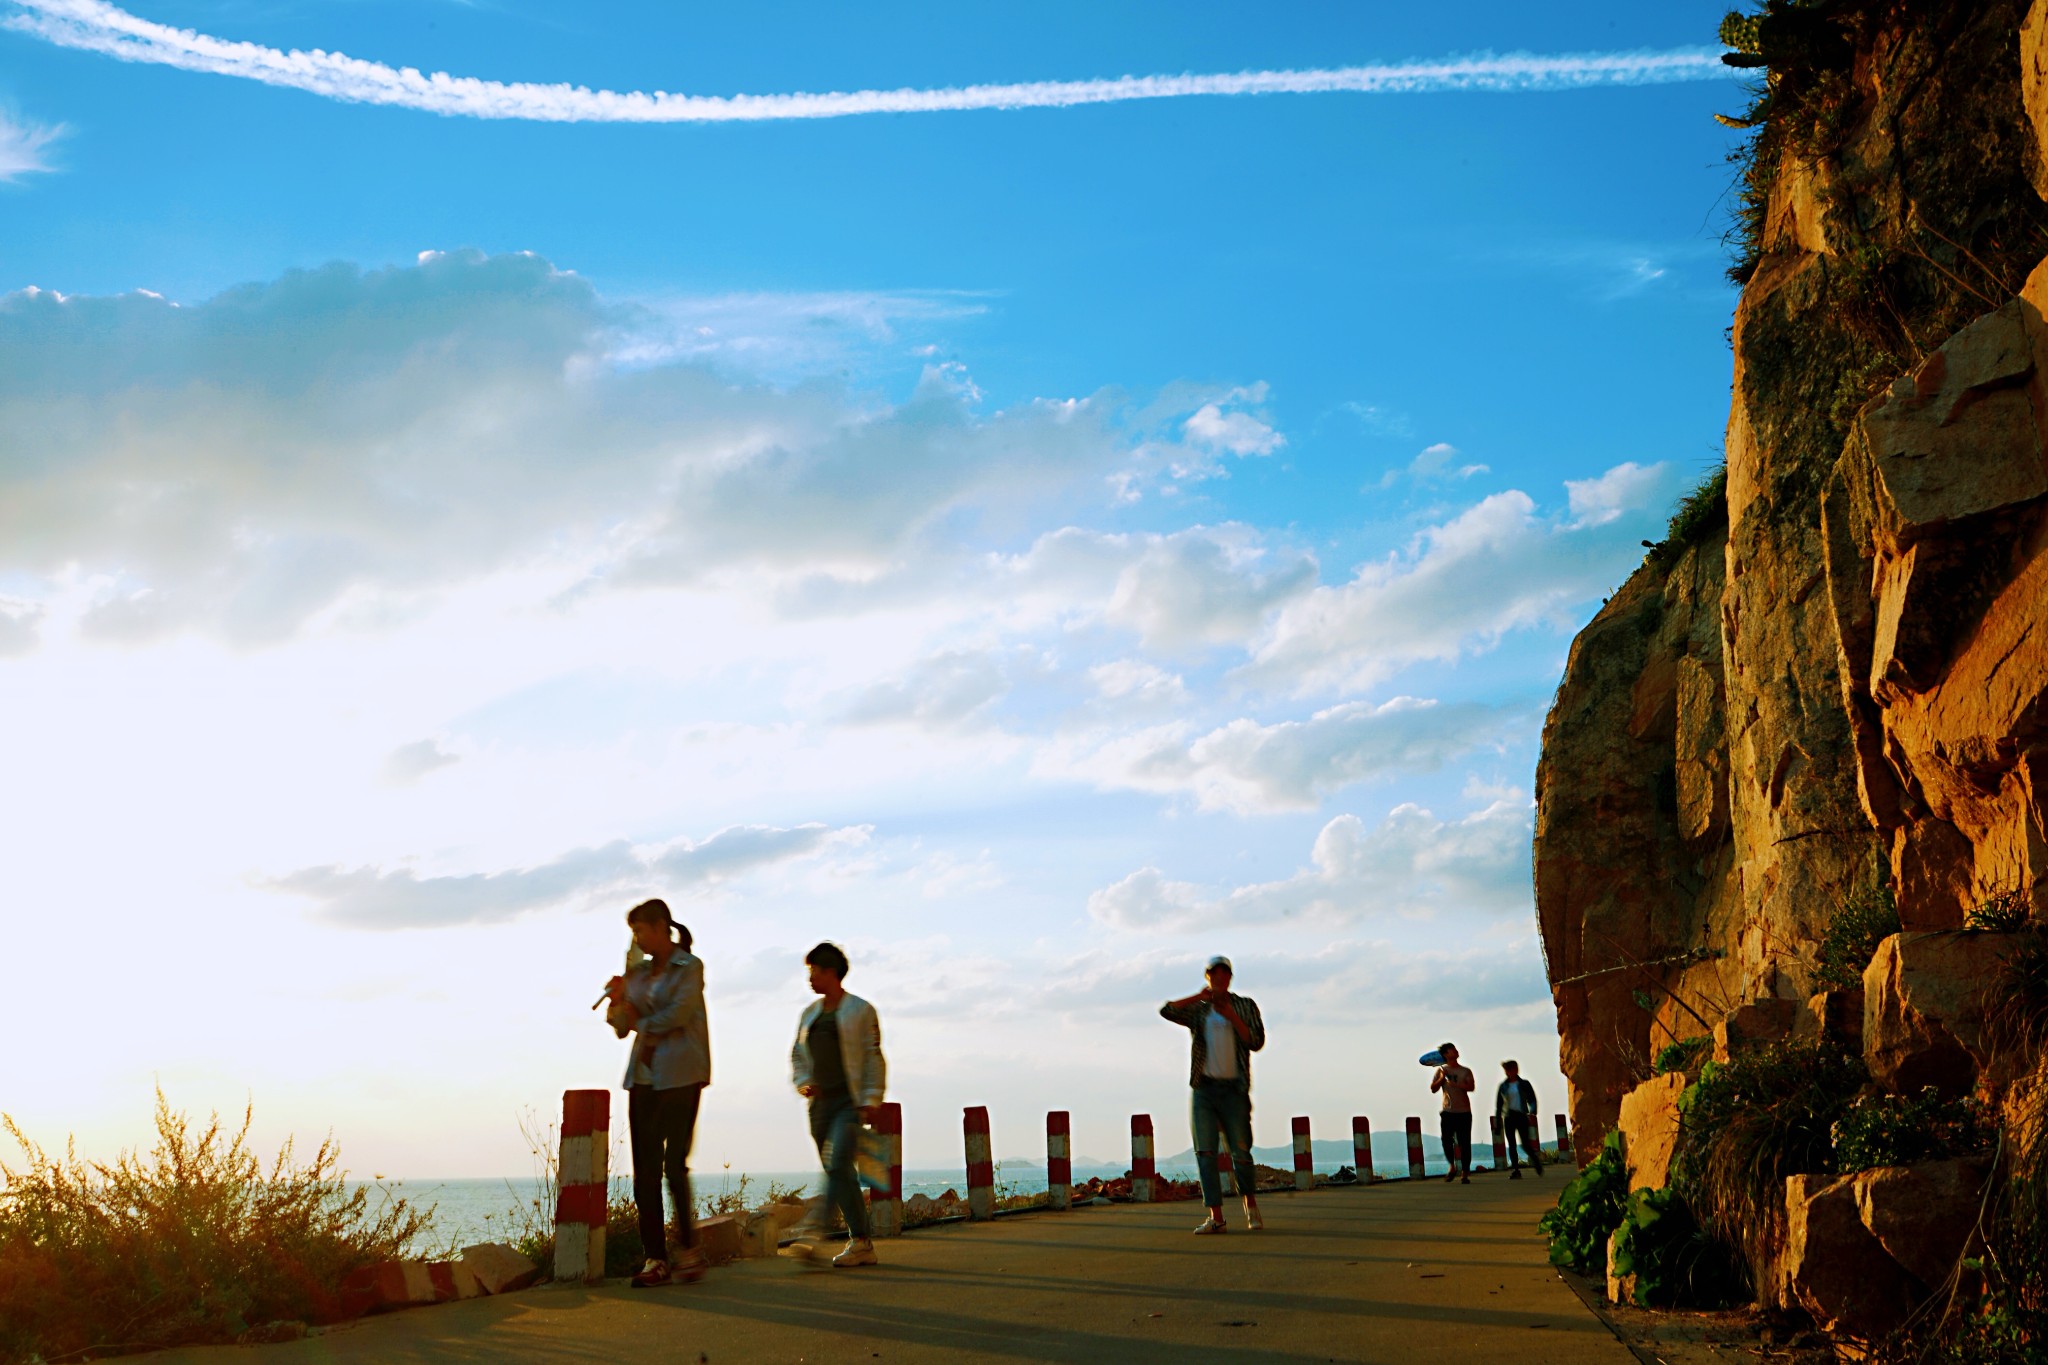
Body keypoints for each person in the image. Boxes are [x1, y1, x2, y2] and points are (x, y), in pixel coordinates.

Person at [602, 898, 711, 1288]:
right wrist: (618, 1000)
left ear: (662, 926)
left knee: (674, 1165)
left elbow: (679, 1014)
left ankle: (689, 1249)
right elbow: (619, 1027)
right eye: (634, 934)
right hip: (644, 1076)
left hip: (682, 1072)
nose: (638, 939)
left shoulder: (689, 966)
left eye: (642, 931)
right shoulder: (639, 972)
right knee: (644, 1171)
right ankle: (655, 1258)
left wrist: (638, 1019)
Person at [787, 942, 886, 1268]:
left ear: (831, 973)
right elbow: (798, 1055)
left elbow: (873, 1057)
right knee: (839, 1170)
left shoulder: (861, 1010)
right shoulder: (810, 1014)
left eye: (814, 970)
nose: (810, 978)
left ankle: (814, 1233)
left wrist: (871, 1098)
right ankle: (862, 1243)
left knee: (837, 1157)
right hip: (820, 1105)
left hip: (849, 1102)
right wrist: (803, 1082)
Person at [1159, 955, 1266, 1234]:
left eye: (1223, 974)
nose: (1218, 978)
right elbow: (1167, 1011)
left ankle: (1250, 1206)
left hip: (1234, 1089)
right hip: (1204, 1088)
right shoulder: (1200, 1010)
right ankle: (1216, 1217)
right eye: (1213, 974)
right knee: (1205, 1152)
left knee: (1241, 1152)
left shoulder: (1245, 1006)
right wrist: (1197, 996)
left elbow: (1256, 1041)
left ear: (1230, 977)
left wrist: (1232, 1016)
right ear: (1208, 978)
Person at [1430, 1041, 1476, 1184]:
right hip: (1447, 1111)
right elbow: (1433, 1088)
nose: (1456, 1051)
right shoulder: (1441, 1070)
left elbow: (1471, 1087)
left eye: (1455, 1049)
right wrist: (1442, 1078)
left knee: (1464, 1143)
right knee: (1446, 1140)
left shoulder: (1465, 1071)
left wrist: (1456, 1084)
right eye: (1452, 1050)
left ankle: (1465, 1173)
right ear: (1445, 1054)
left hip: (1464, 1111)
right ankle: (1451, 1166)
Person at [1495, 1060, 1544, 1178]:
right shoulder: (1503, 1086)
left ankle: (1536, 1161)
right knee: (1511, 1144)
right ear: (1506, 1071)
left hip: (1521, 1116)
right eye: (1510, 1070)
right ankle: (1516, 1170)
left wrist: (1533, 1110)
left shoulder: (1524, 1084)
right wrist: (1497, 1122)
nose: (1512, 1072)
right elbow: (1499, 1106)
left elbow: (1532, 1099)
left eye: (1514, 1069)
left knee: (1525, 1144)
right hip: (1508, 1117)